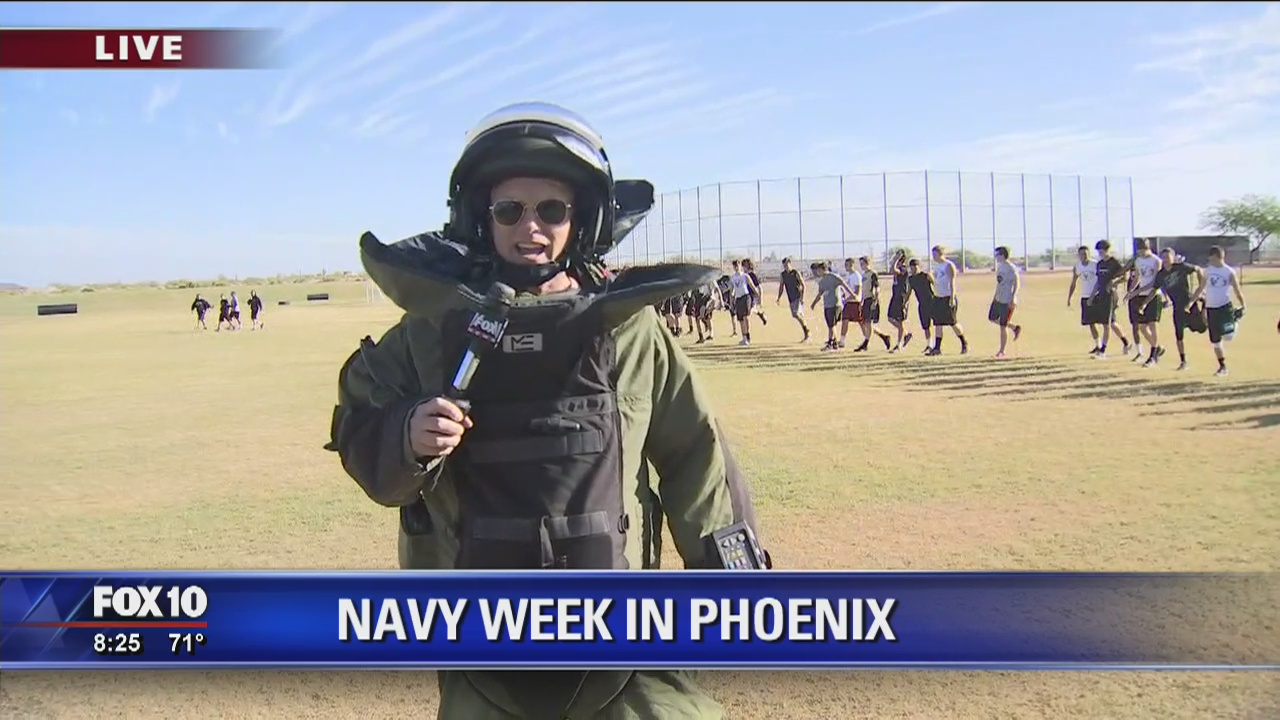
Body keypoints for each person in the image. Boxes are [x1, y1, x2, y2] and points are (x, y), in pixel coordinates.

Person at [326, 103, 767, 719]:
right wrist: (408, 435)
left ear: (579, 220)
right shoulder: (427, 334)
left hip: (628, 648)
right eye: (510, 209)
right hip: (481, 650)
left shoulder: (629, 331)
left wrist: (729, 583)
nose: (529, 225)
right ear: (482, 218)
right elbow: (363, 435)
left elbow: (695, 452)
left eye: (551, 210)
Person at [1186, 245, 1247, 377]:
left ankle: (1234, 322)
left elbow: (1237, 290)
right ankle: (1222, 366)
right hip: (1211, 308)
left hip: (1225, 306)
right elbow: (1201, 288)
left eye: (1210, 256)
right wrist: (1191, 302)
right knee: (1215, 340)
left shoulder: (1229, 272)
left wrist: (1243, 304)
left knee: (1228, 336)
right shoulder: (1208, 271)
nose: (1209, 259)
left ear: (1216, 256)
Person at [1147, 247, 1205, 371]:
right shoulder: (1161, 274)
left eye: (1167, 257)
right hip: (1177, 308)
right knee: (1179, 335)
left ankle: (1205, 305)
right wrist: (1144, 303)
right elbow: (1154, 290)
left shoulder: (1181, 267)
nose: (1165, 260)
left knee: (1201, 328)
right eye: (1163, 257)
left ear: (1173, 257)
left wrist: (1201, 288)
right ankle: (1183, 362)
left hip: (1189, 304)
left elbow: (1198, 269)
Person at [1121, 238, 1165, 367]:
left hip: (1154, 295)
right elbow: (1138, 277)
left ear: (1147, 248)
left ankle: (1153, 356)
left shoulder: (1156, 261)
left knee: (1152, 325)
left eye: (1142, 250)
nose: (1140, 253)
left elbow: (1155, 282)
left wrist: (1137, 291)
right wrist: (1131, 291)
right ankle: (1157, 347)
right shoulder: (1139, 261)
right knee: (1142, 327)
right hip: (1141, 295)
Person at [1087, 240, 1130, 359]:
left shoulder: (1114, 263)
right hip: (1101, 295)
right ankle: (1126, 343)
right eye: (1099, 251)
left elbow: (1125, 276)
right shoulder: (1099, 264)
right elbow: (1098, 281)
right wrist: (1092, 296)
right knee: (1112, 323)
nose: (1101, 253)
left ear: (1108, 250)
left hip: (1111, 295)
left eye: (1103, 251)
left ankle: (1102, 350)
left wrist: (1114, 282)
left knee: (1106, 324)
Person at [925, 246, 968, 355]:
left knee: (952, 322)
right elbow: (937, 282)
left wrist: (952, 298)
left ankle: (964, 343)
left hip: (948, 297)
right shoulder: (937, 267)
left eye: (935, 254)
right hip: (938, 297)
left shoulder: (948, 265)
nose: (933, 257)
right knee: (938, 323)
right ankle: (937, 348)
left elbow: (952, 282)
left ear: (941, 254)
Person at [809, 261, 858, 351]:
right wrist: (813, 303)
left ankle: (830, 343)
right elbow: (820, 293)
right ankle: (834, 343)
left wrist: (852, 294)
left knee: (832, 325)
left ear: (823, 269)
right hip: (827, 305)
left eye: (819, 270)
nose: (817, 272)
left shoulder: (833, 277)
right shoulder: (822, 281)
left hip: (835, 304)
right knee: (831, 324)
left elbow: (843, 283)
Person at [988, 246, 1023, 358]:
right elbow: (999, 283)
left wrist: (1013, 297)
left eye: (997, 255)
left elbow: (1017, 283)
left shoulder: (1011, 268)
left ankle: (1002, 351)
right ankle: (1014, 327)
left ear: (1003, 255)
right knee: (992, 318)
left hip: (1007, 300)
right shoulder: (1000, 267)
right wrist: (994, 297)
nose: (995, 257)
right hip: (998, 298)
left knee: (1002, 325)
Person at [854, 256, 893, 352]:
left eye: (862, 263)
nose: (861, 266)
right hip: (866, 300)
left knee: (868, 322)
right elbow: (864, 290)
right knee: (866, 323)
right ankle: (884, 337)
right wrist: (861, 301)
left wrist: (875, 300)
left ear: (868, 263)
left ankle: (866, 343)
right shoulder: (863, 275)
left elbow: (877, 287)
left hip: (871, 299)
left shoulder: (872, 273)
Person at [775, 256, 810, 342]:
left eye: (787, 265)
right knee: (796, 315)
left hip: (798, 296)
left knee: (796, 314)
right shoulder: (783, 275)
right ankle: (806, 330)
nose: (786, 267)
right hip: (791, 298)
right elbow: (781, 287)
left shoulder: (795, 273)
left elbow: (803, 284)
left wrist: (802, 297)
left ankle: (807, 332)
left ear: (790, 264)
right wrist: (778, 297)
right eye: (784, 265)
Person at [885, 251, 914, 352]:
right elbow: (890, 270)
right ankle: (906, 334)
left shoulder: (903, 269)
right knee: (890, 318)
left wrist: (896, 259)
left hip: (901, 297)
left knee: (899, 321)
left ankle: (899, 344)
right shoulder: (897, 268)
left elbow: (893, 270)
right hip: (895, 296)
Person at [906, 258, 934, 353]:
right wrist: (905, 303)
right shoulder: (911, 279)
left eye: (915, 267)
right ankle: (929, 345)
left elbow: (936, 285)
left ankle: (938, 345)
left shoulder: (926, 275)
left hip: (932, 302)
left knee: (939, 323)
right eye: (911, 267)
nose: (913, 269)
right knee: (926, 326)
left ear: (919, 266)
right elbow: (909, 292)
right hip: (922, 304)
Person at [729, 259, 759, 346]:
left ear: (740, 266)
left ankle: (748, 336)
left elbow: (752, 286)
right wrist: (732, 300)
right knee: (741, 319)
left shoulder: (745, 276)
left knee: (746, 317)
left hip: (746, 297)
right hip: (738, 299)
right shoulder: (733, 278)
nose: (736, 267)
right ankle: (744, 337)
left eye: (737, 265)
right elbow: (732, 290)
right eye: (734, 266)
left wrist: (757, 295)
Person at [837, 257, 863, 349]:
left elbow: (857, 292)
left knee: (862, 322)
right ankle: (842, 341)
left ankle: (869, 338)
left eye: (847, 265)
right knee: (845, 320)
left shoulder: (856, 276)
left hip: (855, 302)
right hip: (848, 303)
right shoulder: (849, 276)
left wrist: (847, 299)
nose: (845, 267)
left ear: (852, 265)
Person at [742, 258, 768, 327]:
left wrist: (761, 298)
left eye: (745, 265)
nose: (744, 267)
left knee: (749, 313)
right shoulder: (743, 275)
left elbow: (759, 287)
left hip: (753, 295)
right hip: (746, 296)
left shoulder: (752, 275)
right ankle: (761, 314)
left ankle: (747, 334)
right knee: (751, 310)